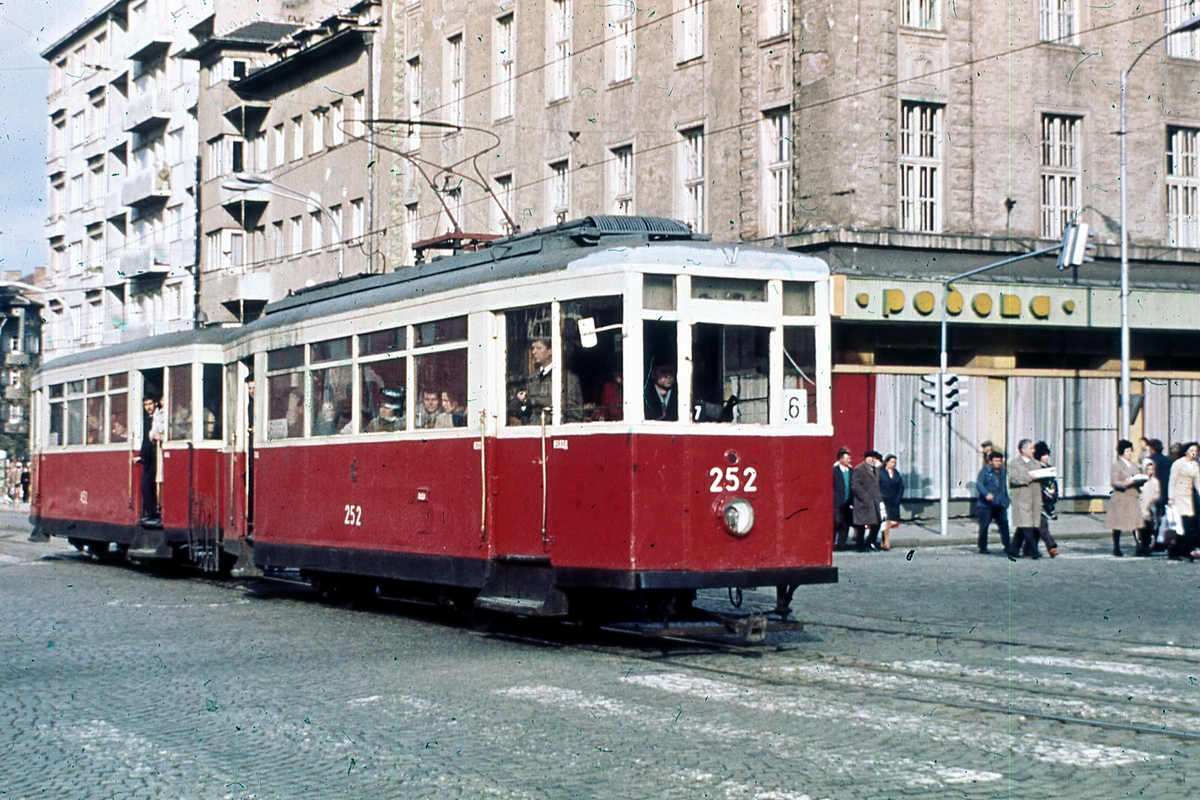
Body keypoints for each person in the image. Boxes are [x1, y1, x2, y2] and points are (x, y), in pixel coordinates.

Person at [510, 338, 583, 424]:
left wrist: (535, 401)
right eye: (533, 348)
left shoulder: (567, 378)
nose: (534, 352)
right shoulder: (531, 378)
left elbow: (576, 412)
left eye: (539, 348)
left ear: (550, 351)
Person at [1106, 439, 1146, 558]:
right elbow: (1114, 481)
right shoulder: (1117, 465)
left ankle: (1139, 546)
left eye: (1130, 451)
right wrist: (1124, 484)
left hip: (1133, 496)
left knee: (1136, 523)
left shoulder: (1134, 465)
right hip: (1121, 497)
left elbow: (1139, 476)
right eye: (1127, 451)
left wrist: (1140, 480)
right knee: (1118, 523)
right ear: (1121, 452)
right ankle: (1116, 547)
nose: (1129, 453)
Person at [1008, 439, 1042, 559]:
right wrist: (1029, 477)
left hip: (1034, 498)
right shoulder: (1014, 464)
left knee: (1025, 525)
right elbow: (1013, 479)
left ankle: (1013, 549)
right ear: (1023, 450)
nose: (1033, 451)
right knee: (1026, 525)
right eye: (1030, 448)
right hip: (1021, 498)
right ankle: (1034, 550)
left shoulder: (1036, 463)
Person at [1167, 442, 1200, 561]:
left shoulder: (1196, 465)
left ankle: (1180, 550)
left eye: (1195, 450)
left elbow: (1198, 483)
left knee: (1188, 524)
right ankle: (1190, 550)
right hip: (1178, 496)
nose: (1193, 452)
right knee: (1183, 524)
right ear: (1186, 451)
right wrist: (1170, 497)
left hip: (1188, 496)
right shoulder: (1178, 464)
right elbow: (1172, 481)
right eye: (1191, 450)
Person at [136, 394, 165, 526]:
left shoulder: (160, 415)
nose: (148, 407)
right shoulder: (149, 419)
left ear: (155, 404)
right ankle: (151, 512)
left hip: (157, 455)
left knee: (149, 484)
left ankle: (154, 513)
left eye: (150, 404)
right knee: (147, 484)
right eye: (145, 405)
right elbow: (150, 435)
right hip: (150, 456)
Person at [976, 451, 1011, 554]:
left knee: (1004, 524)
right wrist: (986, 494)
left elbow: (1004, 487)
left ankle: (1007, 546)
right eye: (995, 461)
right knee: (984, 526)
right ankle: (983, 547)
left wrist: (1006, 499)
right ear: (990, 461)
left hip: (999, 503)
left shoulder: (1002, 472)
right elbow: (979, 484)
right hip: (986, 505)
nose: (998, 463)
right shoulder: (984, 471)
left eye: (999, 461)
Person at [850, 450, 884, 552]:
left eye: (875, 459)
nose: (874, 461)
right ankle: (860, 546)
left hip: (875, 502)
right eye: (872, 458)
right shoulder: (859, 469)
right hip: (863, 503)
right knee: (861, 525)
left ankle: (870, 542)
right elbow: (855, 485)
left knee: (877, 523)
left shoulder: (876, 470)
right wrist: (863, 496)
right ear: (867, 458)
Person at [1031, 441, 1060, 557]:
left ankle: (1028, 548)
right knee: (1043, 526)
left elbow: (1053, 484)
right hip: (1037, 501)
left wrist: (1054, 494)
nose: (1047, 457)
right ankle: (1051, 547)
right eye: (1044, 455)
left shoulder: (1049, 469)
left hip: (1047, 501)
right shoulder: (1035, 468)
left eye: (1048, 455)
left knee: (1036, 529)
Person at [878, 454, 904, 552]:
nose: (893, 464)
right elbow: (877, 486)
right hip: (884, 500)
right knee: (886, 520)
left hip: (893, 500)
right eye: (892, 462)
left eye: (895, 462)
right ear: (886, 462)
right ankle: (886, 541)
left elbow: (901, 486)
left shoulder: (896, 473)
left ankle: (883, 540)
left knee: (890, 521)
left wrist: (898, 497)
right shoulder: (881, 473)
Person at [832, 447, 853, 551]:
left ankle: (842, 544)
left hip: (848, 502)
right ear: (840, 459)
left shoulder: (851, 471)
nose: (849, 460)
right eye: (846, 458)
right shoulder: (834, 471)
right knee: (836, 521)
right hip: (837, 501)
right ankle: (831, 542)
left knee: (845, 523)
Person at [1139, 459, 1162, 557]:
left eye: (1152, 469)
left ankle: (1147, 545)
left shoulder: (1155, 481)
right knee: (1141, 528)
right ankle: (1141, 546)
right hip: (1141, 506)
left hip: (1150, 507)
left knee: (1149, 527)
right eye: (1148, 469)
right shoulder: (1140, 479)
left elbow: (1157, 492)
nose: (1150, 471)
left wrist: (1155, 498)